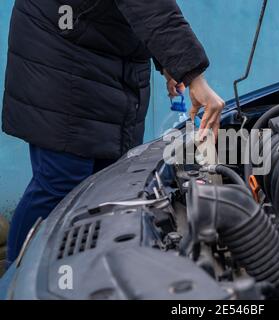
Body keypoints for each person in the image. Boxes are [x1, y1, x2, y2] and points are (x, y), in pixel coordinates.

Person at [1, 0, 225, 266]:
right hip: (61, 51)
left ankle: (79, 275)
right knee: (60, 183)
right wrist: (193, 76)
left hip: (103, 48)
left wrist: (168, 62)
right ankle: (18, 276)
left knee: (107, 183)